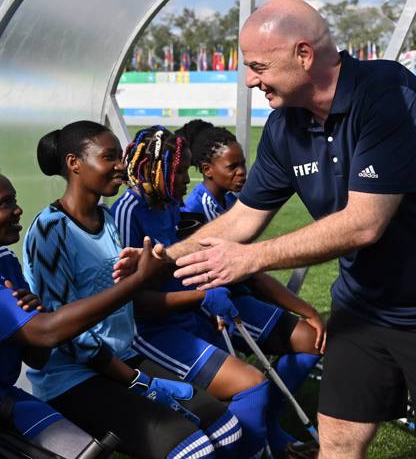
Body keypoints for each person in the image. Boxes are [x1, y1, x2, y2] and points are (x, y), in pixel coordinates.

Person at [122, 0, 416, 459]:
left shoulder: (387, 95)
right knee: (338, 439)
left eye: (259, 66)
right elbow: (243, 218)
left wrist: (250, 258)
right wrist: (163, 258)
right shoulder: (284, 127)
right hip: (364, 309)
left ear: (304, 55)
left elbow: (365, 224)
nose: (249, 79)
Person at [0, 153, 169, 459]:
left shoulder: (4, 262)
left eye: (14, 200)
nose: (17, 210)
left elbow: (37, 356)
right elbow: (47, 334)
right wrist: (137, 280)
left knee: (87, 454)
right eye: (4, 204)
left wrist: (37, 313)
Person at [23, 121, 244, 459]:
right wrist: (136, 381)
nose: (120, 166)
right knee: (193, 450)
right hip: (74, 377)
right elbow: (63, 330)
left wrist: (149, 271)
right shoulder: (50, 230)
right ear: (74, 163)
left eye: (119, 157)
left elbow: (128, 292)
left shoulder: (107, 219)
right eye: (109, 157)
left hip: (121, 359)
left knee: (227, 429)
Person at [112, 124, 323, 457]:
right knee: (251, 385)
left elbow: (184, 267)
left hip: (191, 314)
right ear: (156, 170)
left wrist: (205, 294)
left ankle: (268, 439)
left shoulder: (169, 205)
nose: (185, 179)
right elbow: (131, 300)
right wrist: (204, 296)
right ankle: (262, 446)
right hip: (151, 332)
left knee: (252, 386)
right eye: (179, 171)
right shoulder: (128, 212)